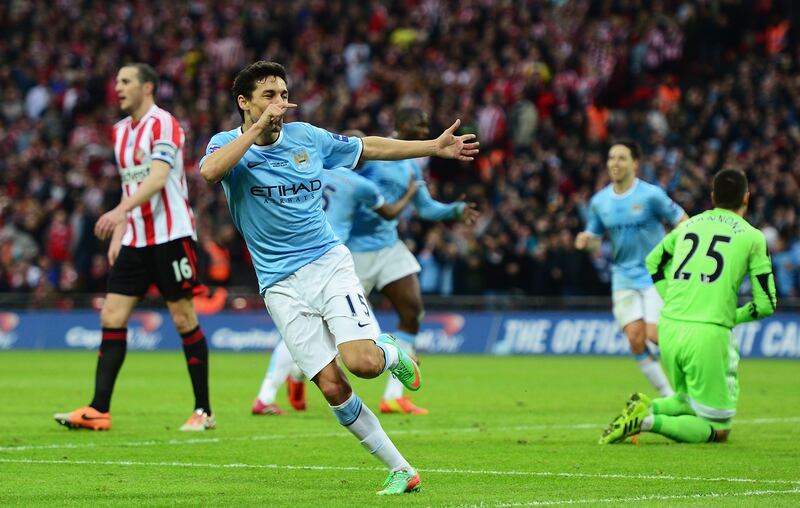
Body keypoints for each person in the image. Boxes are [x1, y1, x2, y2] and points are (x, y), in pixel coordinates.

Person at [199, 61, 478, 495]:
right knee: (331, 386)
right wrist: (256, 131)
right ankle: (402, 469)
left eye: (283, 94)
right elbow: (210, 172)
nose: (279, 104)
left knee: (362, 363)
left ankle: (390, 353)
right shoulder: (226, 144)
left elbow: (369, 147)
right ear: (244, 102)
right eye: (268, 95)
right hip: (279, 285)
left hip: (328, 264)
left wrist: (430, 147)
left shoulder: (307, 137)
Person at [54, 63, 214, 432]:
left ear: (148, 87)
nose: (118, 87)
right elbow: (132, 185)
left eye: (125, 81)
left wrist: (118, 212)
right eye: (116, 81)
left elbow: (158, 178)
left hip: (171, 237)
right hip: (136, 239)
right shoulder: (119, 132)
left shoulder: (164, 124)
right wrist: (120, 230)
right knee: (111, 316)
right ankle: (98, 409)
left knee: (183, 318)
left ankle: (204, 411)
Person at [599, 168, 776, 444]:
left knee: (687, 399)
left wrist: (672, 298)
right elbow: (766, 304)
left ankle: (650, 406)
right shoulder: (752, 237)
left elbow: (653, 262)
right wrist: (734, 315)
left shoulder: (688, 226)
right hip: (707, 333)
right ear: (747, 198)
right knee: (718, 429)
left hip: (670, 327)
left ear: (713, 196)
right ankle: (646, 421)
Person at [252, 164, 418, 416]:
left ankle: (272, 391)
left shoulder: (306, 173)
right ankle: (393, 356)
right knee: (365, 333)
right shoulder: (358, 184)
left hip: (291, 260)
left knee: (298, 330)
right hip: (328, 262)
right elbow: (389, 213)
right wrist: (410, 193)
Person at [347, 111, 479, 415]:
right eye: (416, 124)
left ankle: (393, 396)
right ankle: (294, 375)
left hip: (388, 246)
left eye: (424, 125)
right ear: (400, 126)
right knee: (332, 324)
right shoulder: (374, 151)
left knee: (412, 311)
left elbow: (426, 208)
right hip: (353, 250)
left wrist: (455, 211)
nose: (422, 129)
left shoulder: (411, 164)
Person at [575, 140, 687, 396]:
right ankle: (670, 396)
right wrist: (586, 241)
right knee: (636, 339)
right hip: (623, 276)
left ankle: (692, 379)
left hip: (655, 274)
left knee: (655, 335)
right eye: (611, 158)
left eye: (622, 158)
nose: (615, 163)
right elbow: (594, 240)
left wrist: (677, 250)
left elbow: (682, 221)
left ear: (635, 163)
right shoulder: (599, 201)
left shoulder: (651, 195)